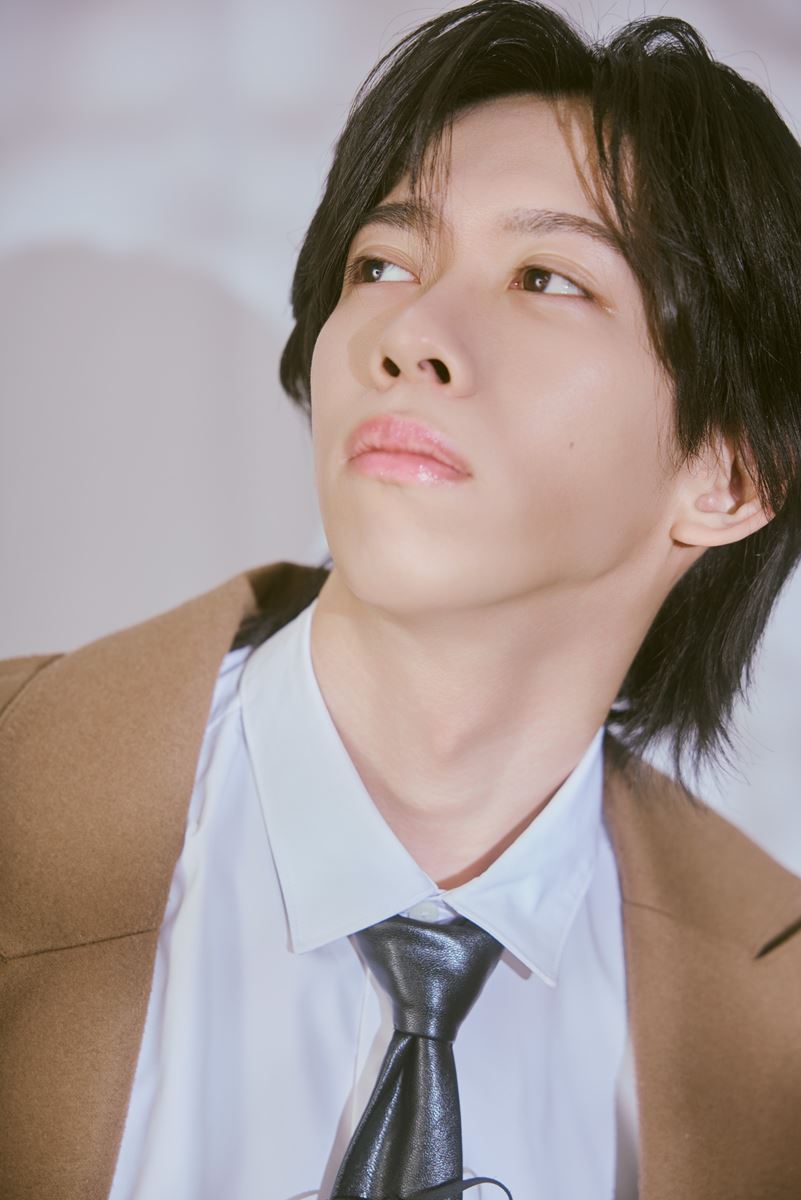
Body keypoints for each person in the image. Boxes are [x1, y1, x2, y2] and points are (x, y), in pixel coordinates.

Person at [2, 1, 801, 1197]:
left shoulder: (776, 1025)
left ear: (728, 476)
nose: (411, 332)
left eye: (547, 278)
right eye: (381, 264)